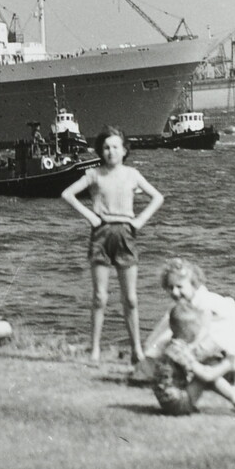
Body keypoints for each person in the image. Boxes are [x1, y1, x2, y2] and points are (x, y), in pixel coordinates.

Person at [61, 127, 165, 373]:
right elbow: (67, 194)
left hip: (126, 235)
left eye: (116, 147)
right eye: (106, 147)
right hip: (101, 235)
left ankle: (136, 350)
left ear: (125, 150)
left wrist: (139, 222)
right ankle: (95, 349)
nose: (111, 152)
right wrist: (91, 216)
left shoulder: (132, 174)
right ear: (100, 151)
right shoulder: (93, 174)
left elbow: (157, 197)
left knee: (130, 298)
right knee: (100, 297)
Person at [142, 258, 235, 416]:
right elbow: (168, 327)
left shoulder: (204, 305)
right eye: (170, 287)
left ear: (194, 284)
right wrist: (150, 350)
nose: (175, 292)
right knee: (210, 366)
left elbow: (214, 332)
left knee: (231, 359)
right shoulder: (183, 308)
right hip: (222, 334)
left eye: (179, 287)